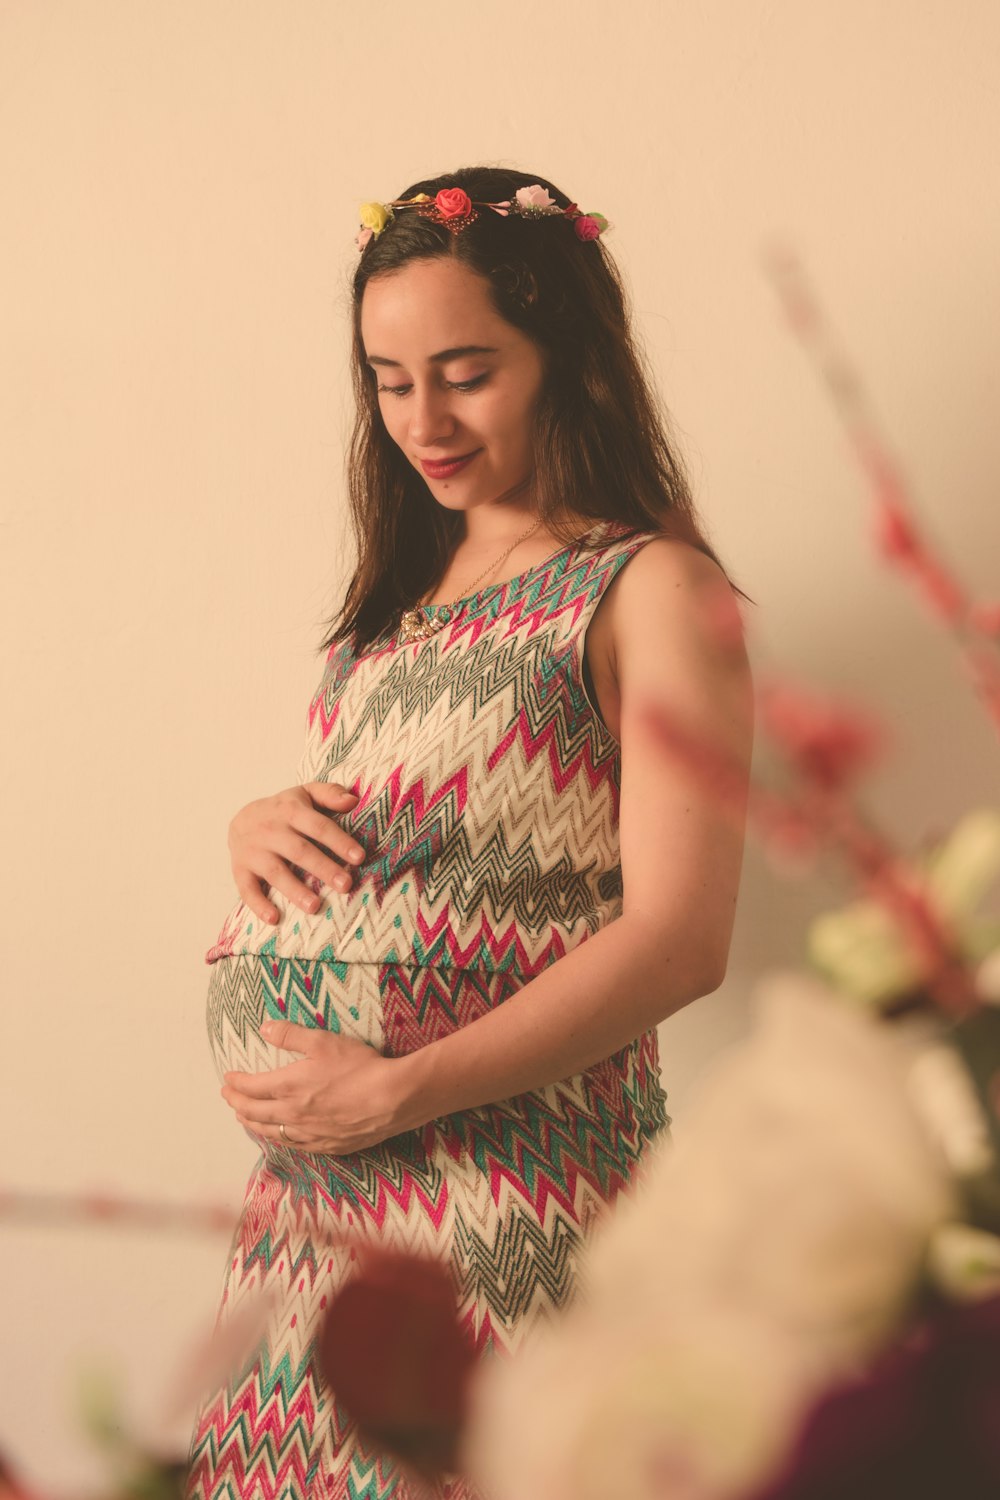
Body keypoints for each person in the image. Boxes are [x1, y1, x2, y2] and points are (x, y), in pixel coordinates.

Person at [184, 166, 754, 1500]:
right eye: (388, 379)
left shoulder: (652, 587)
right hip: (317, 1233)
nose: (422, 419)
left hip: (516, 1213)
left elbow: (681, 941)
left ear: (569, 360)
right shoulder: (391, 612)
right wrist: (254, 827)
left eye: (464, 371)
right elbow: (428, 841)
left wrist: (400, 1088)